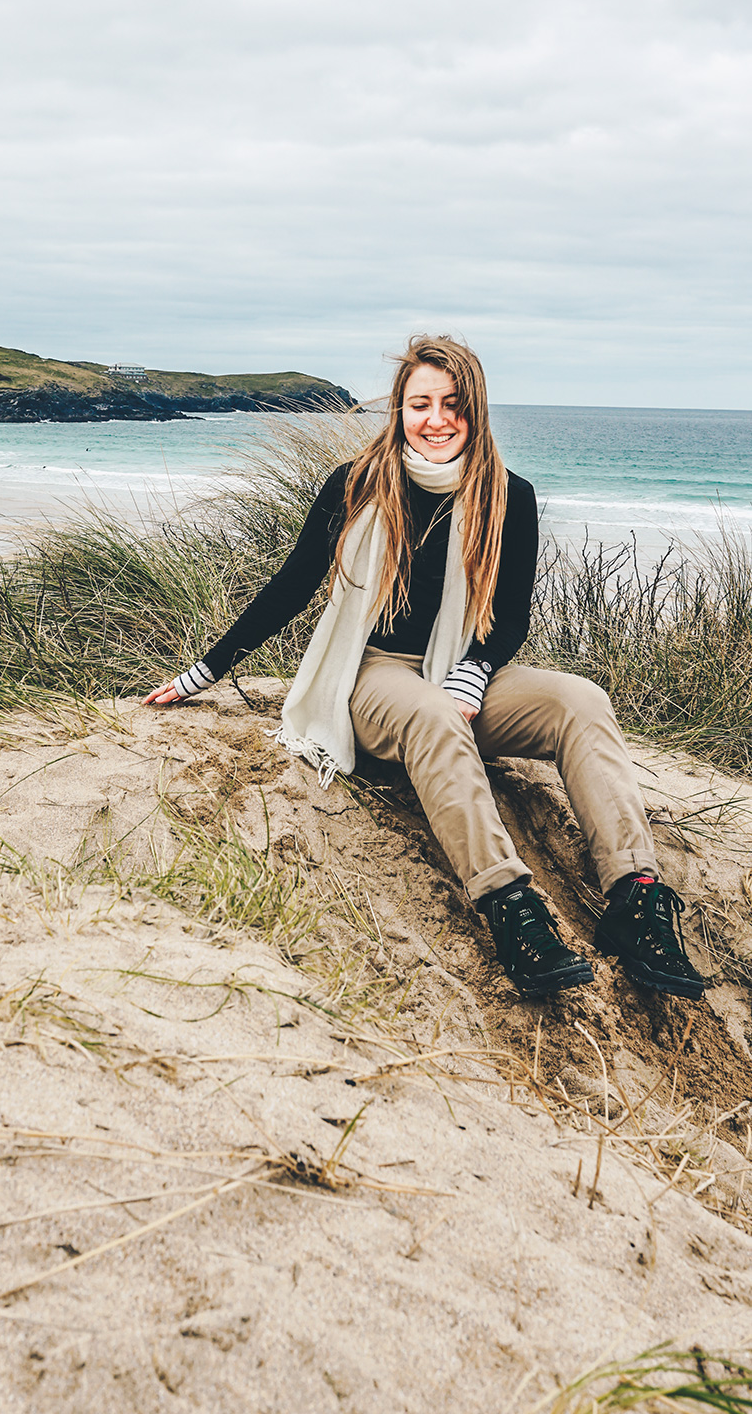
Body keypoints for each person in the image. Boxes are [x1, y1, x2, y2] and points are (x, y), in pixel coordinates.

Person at [145, 335, 704, 1002]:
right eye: (420, 404)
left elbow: (508, 616)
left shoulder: (506, 496)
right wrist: (201, 675)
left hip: (457, 673)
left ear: (475, 410)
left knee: (579, 699)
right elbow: (290, 588)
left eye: (452, 404)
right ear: (398, 410)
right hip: (373, 672)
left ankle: (635, 897)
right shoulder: (356, 483)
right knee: (435, 713)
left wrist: (476, 668)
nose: (436, 419)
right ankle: (508, 905)